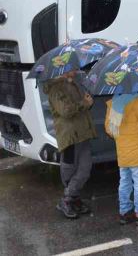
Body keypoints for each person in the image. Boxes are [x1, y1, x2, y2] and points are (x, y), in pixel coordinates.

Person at [43, 71, 97, 219]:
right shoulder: (56, 88)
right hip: (69, 136)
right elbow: (65, 111)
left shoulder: (74, 83)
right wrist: (84, 103)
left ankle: (73, 198)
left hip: (83, 133)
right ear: (63, 69)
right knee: (69, 169)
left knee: (85, 169)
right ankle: (67, 200)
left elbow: (80, 107)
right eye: (72, 67)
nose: (76, 69)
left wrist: (87, 102)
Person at [104, 91, 138, 226]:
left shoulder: (113, 104)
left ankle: (125, 212)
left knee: (125, 182)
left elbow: (110, 130)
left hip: (123, 153)